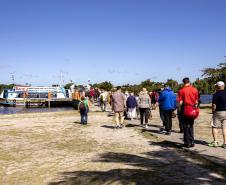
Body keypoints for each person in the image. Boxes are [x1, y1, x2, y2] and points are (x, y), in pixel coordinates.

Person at [178, 77, 199, 148]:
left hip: (185, 108)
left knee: (185, 125)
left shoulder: (181, 90)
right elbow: (196, 101)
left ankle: (187, 142)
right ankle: (192, 141)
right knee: (191, 125)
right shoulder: (195, 89)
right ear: (189, 81)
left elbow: (180, 102)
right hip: (192, 108)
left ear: (183, 82)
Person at [208, 81, 226, 148]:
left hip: (218, 112)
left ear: (217, 86)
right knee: (225, 127)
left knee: (214, 126)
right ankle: (225, 143)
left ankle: (215, 142)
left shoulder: (216, 94)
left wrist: (213, 111)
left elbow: (214, 105)